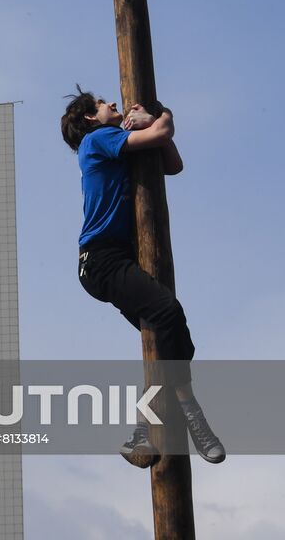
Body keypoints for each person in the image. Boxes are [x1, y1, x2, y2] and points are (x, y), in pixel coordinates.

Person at [61, 87, 225, 467]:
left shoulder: (117, 139)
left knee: (172, 339)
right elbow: (162, 135)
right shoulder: (99, 138)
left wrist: (151, 125)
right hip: (102, 259)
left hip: (111, 260)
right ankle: (189, 412)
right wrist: (159, 115)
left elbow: (172, 163)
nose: (113, 105)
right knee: (168, 313)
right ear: (89, 118)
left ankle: (142, 431)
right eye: (104, 104)